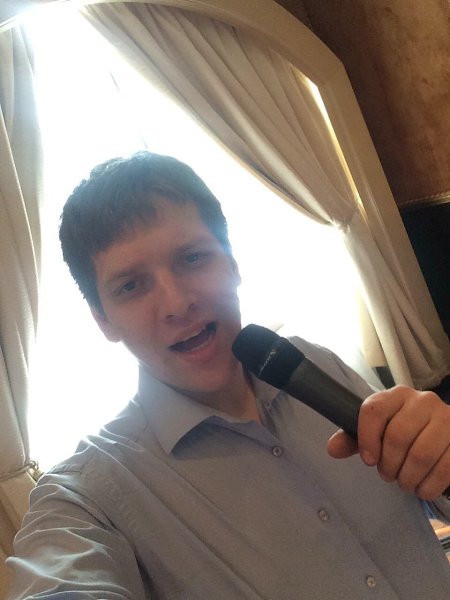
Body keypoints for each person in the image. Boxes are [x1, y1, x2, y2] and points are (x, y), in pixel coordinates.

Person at [7, 151, 450, 599]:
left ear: (233, 263)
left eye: (192, 258)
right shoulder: (89, 493)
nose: (178, 303)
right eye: (131, 285)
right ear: (104, 319)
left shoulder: (312, 363)